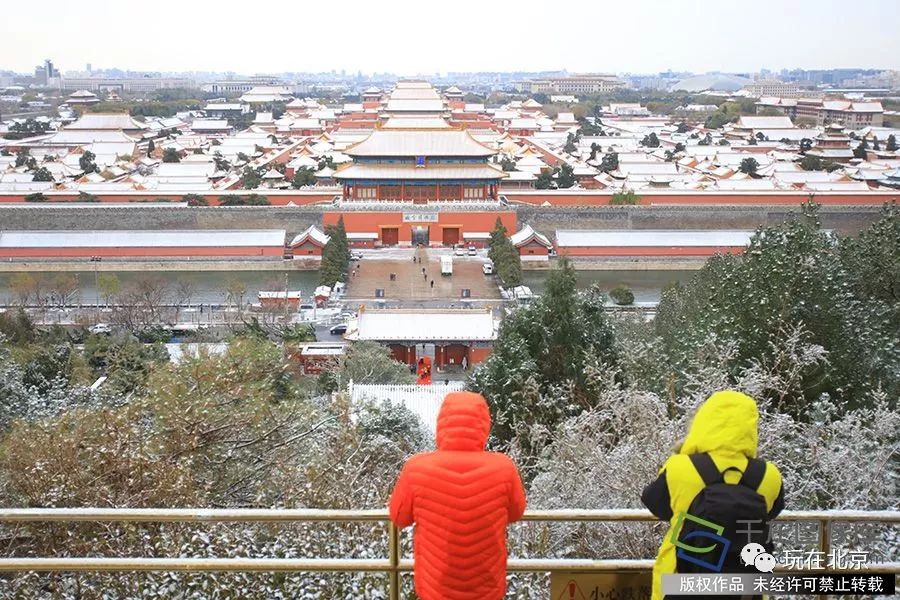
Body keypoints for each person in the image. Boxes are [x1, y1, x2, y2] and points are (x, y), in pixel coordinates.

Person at [641, 390, 784, 600]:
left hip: (682, 579)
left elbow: (655, 504)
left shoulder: (679, 467)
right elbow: (772, 511)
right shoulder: (768, 475)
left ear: (703, 422)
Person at [389, 391, 526, 600]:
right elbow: (516, 512)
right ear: (483, 425)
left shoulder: (417, 467)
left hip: (436, 586)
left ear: (442, 424)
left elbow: (399, 517)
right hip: (487, 585)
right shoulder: (504, 468)